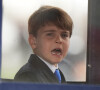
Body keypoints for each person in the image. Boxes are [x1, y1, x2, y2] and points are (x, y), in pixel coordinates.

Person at [14, 5, 73, 84]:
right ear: (33, 41)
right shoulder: (28, 75)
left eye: (64, 35)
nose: (59, 40)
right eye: (50, 34)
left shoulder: (58, 74)